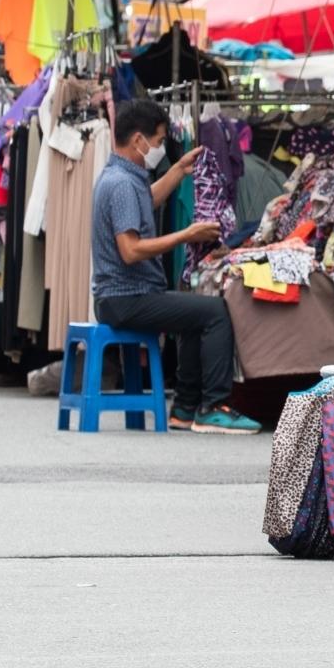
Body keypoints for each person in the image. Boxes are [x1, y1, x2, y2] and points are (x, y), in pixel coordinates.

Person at [92, 100, 260, 435]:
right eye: (157, 141)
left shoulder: (119, 177)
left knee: (192, 312)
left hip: (120, 297)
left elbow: (146, 200)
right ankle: (213, 405)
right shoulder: (123, 184)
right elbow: (130, 250)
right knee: (215, 312)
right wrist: (187, 234)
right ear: (138, 140)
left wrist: (177, 171)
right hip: (127, 298)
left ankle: (184, 408)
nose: (158, 148)